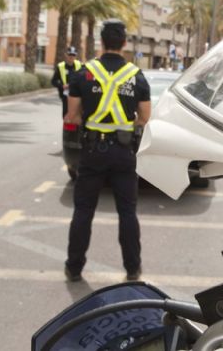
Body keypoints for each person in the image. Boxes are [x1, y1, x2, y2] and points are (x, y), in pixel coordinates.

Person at [63, 19, 151, 282]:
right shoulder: (136, 76)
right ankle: (132, 268)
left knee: (83, 210)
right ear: (124, 43)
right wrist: (123, 124)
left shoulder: (84, 74)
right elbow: (145, 117)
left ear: (102, 42)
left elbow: (72, 116)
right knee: (127, 211)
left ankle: (74, 267)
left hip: (92, 151)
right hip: (124, 152)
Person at [51, 46, 82, 117]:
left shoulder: (80, 65)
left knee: (77, 116)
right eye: (70, 55)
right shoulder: (61, 66)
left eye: (73, 55)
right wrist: (62, 86)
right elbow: (53, 81)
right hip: (65, 95)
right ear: (66, 55)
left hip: (77, 95)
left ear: (76, 56)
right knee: (66, 116)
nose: (71, 57)